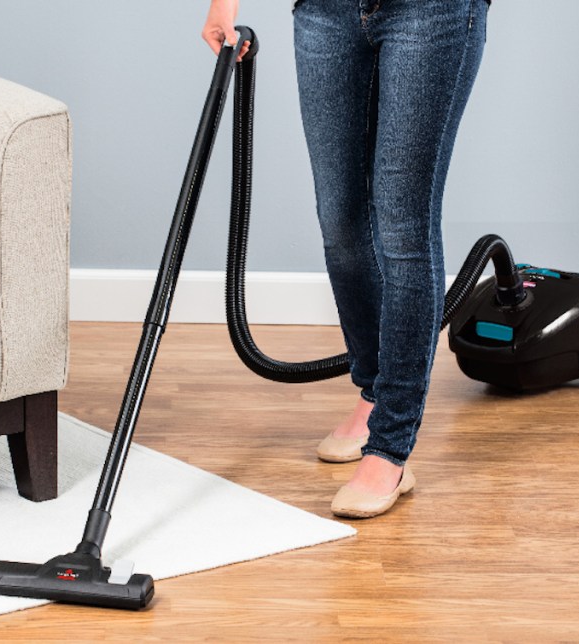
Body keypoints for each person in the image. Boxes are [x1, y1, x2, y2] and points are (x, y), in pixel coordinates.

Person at [202, 0, 489, 518]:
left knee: (403, 227)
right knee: (341, 223)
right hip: (325, 11)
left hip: (430, 12)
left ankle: (390, 448)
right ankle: (375, 391)